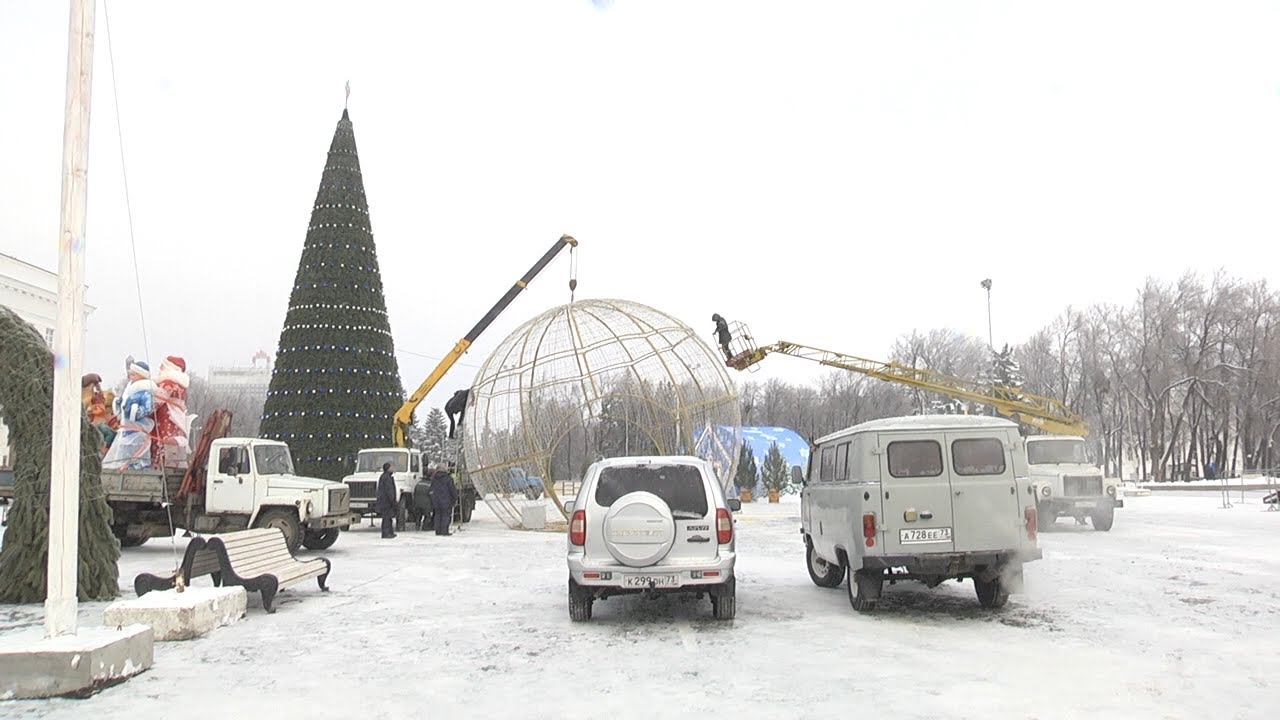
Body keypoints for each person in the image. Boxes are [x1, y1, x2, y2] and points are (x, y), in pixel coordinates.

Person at [428, 462, 459, 536]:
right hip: (446, 500)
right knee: (445, 516)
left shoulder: (434, 478)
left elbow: (431, 489)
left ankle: (438, 530)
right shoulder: (448, 479)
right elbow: (452, 490)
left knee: (437, 515)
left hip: (436, 501)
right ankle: (444, 531)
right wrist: (455, 497)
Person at [375, 461, 398, 539]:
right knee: (386, 518)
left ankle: (389, 532)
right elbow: (389, 490)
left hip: (385, 500)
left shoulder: (385, 476)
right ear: (388, 468)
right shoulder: (386, 477)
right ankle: (386, 533)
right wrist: (392, 500)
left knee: (388, 517)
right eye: (391, 467)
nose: (393, 468)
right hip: (386, 501)